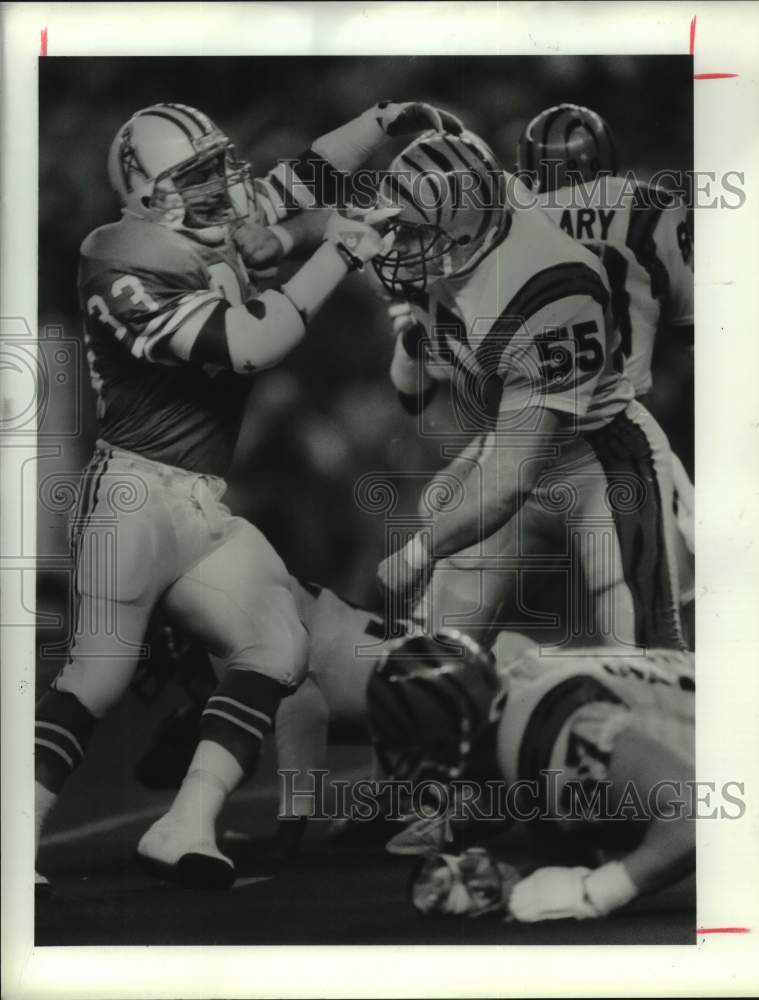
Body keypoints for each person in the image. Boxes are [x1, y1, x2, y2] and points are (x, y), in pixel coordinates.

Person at [34, 99, 456, 892]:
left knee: (277, 641)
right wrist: (337, 252)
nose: (225, 186)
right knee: (97, 677)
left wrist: (385, 118)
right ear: (148, 191)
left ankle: (185, 823)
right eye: (197, 176)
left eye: (220, 166)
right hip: (129, 492)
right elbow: (247, 345)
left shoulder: (209, 221)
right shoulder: (121, 258)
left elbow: (308, 172)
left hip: (197, 501)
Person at [374, 129, 686, 652]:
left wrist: (417, 553)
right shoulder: (467, 224)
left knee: (648, 659)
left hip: (599, 460)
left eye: (412, 234)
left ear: (466, 235)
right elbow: (413, 394)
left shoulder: (548, 288)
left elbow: (510, 479)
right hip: (513, 436)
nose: (395, 247)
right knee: (425, 666)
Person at [367, 630, 697, 922]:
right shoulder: (523, 701)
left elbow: (696, 813)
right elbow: (567, 837)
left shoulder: (546, 740)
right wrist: (522, 884)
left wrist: (595, 893)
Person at [517, 102, 695, 620]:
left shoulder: (508, 216)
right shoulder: (655, 208)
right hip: (621, 443)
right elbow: (694, 332)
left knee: (444, 631)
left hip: (519, 435)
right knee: (654, 636)